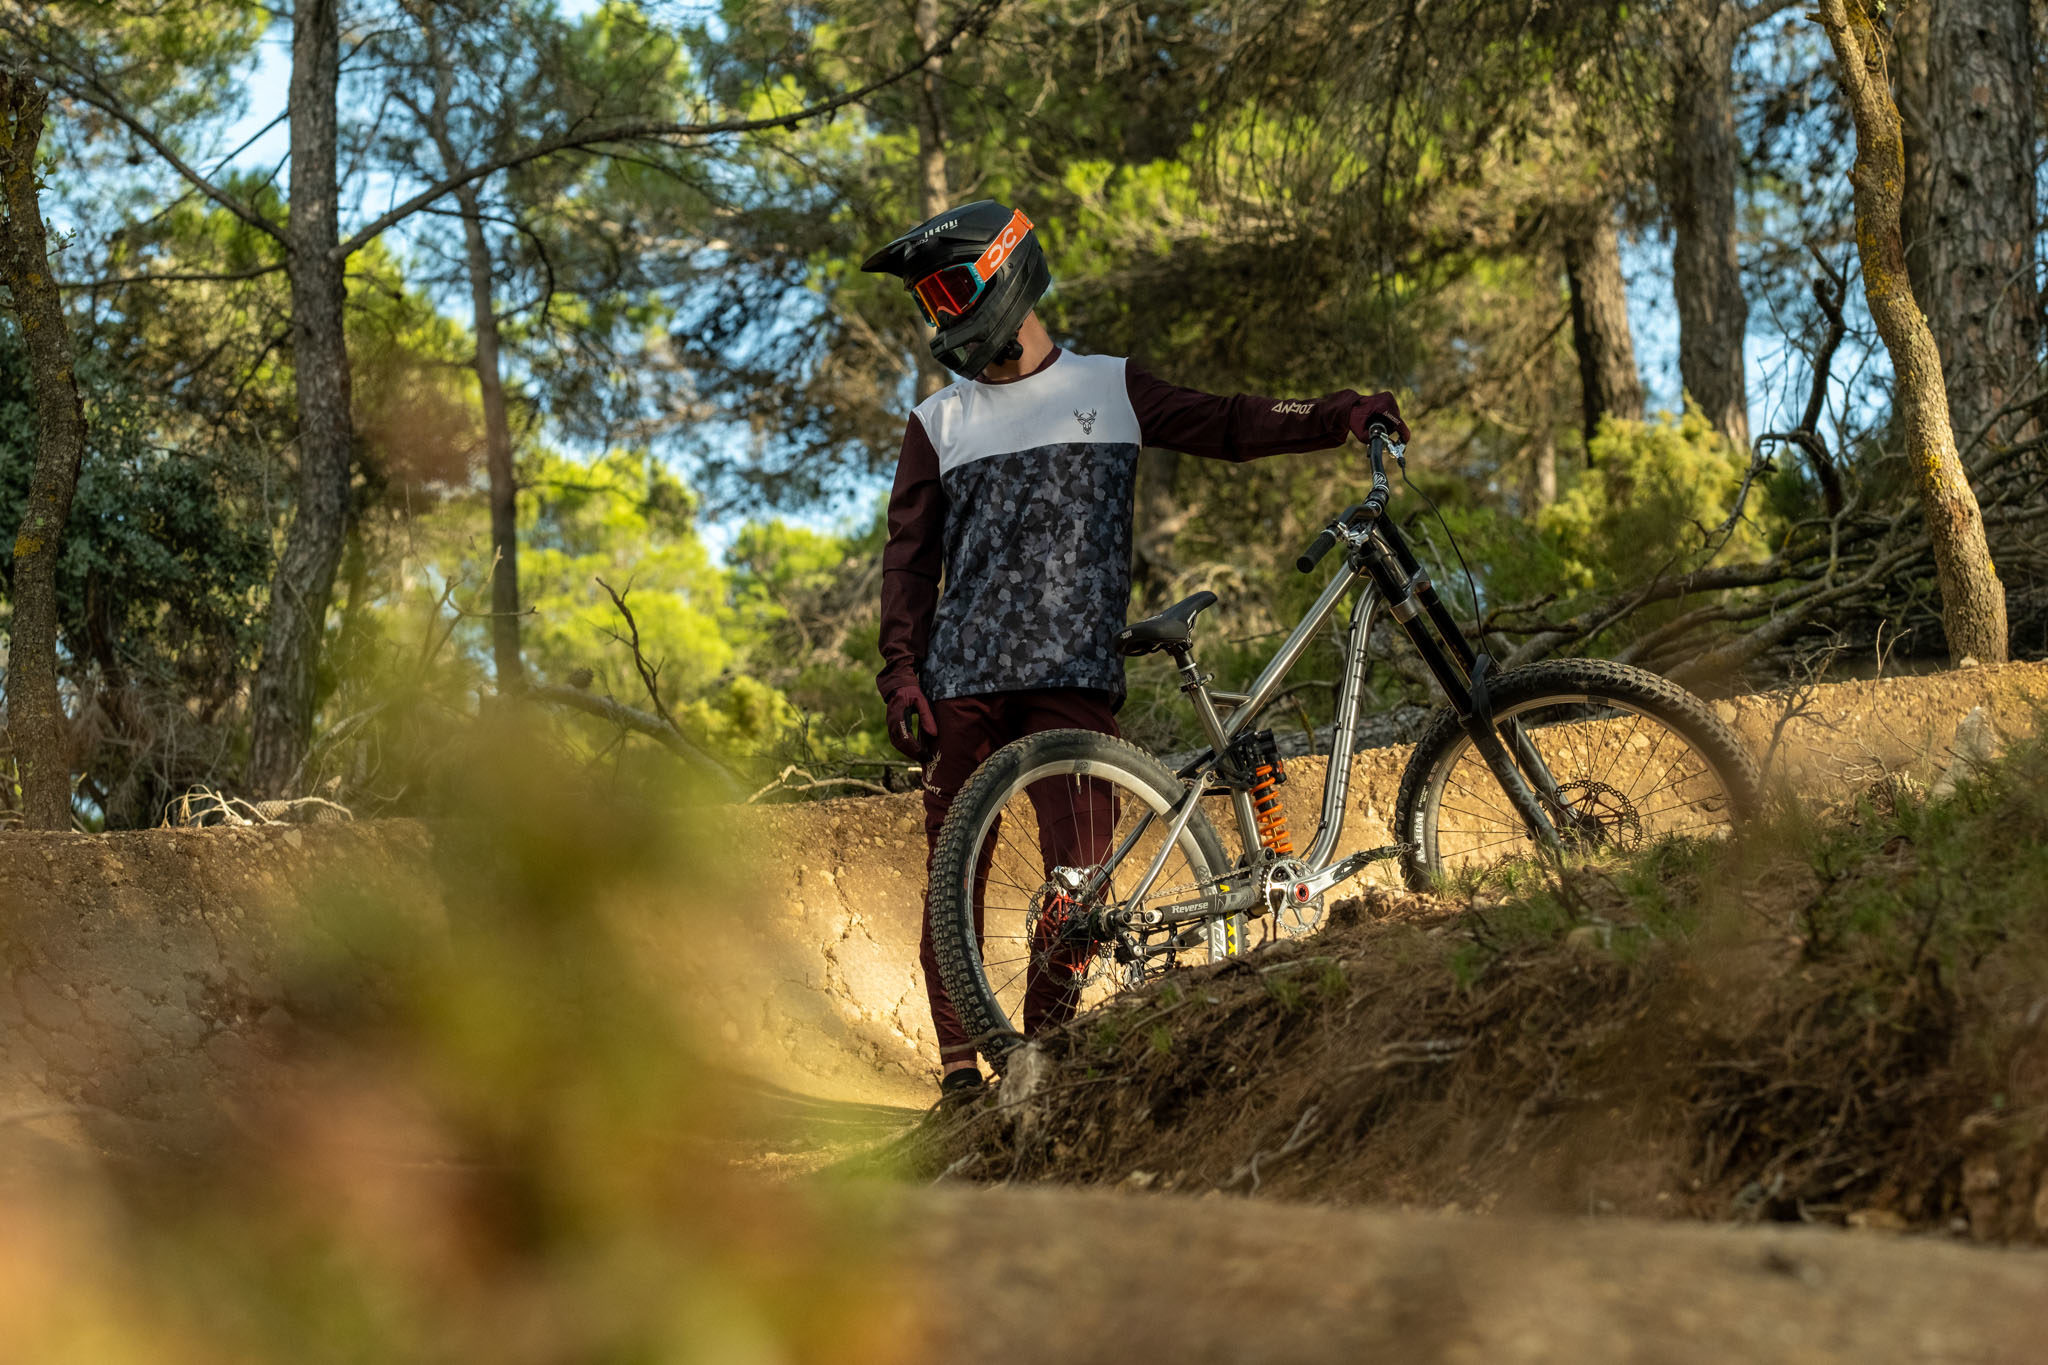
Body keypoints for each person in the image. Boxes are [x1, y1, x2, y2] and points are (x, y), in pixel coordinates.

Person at [863, 199, 1407, 1101]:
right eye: (928, 303)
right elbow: (909, 560)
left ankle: (1041, 1061)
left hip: (1074, 677)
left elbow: (1229, 423)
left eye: (950, 291)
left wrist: (1337, 414)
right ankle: (960, 1076)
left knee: (1081, 886)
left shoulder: (1110, 385)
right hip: (963, 681)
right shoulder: (937, 422)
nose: (942, 315)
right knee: (951, 880)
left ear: (1005, 272)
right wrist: (901, 672)